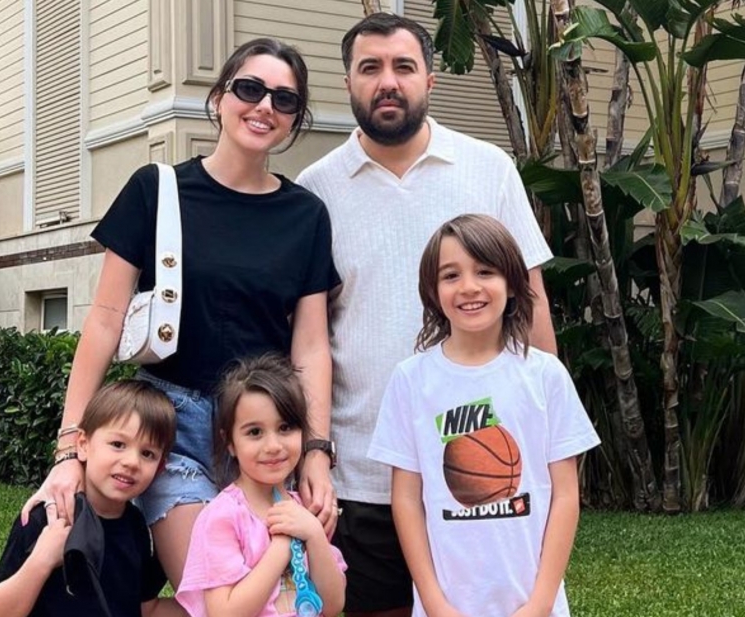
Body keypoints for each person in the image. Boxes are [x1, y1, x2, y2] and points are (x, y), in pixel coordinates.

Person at [21, 38, 341, 617]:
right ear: (219, 97)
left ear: (296, 118)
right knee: (219, 605)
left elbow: (311, 345)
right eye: (250, 88)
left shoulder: (306, 215)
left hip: (264, 433)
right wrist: (70, 446)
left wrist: (315, 450)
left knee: (281, 600)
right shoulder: (157, 190)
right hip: (173, 432)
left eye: (284, 99)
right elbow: (104, 320)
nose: (264, 106)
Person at [296, 12, 555, 617]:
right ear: (349, 82)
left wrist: (546, 431)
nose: (387, 81)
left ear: (429, 80)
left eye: (403, 67)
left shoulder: (488, 167)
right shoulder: (315, 190)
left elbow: (531, 302)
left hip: (481, 467)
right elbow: (308, 337)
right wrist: (315, 450)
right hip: (362, 472)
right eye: (370, 68)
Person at [368, 214, 599, 617]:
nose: (469, 287)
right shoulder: (411, 380)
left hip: (531, 602)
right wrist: (434, 603)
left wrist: (540, 602)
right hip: (448, 605)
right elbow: (405, 500)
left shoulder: (545, 376)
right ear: (432, 290)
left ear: (511, 283)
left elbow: (565, 496)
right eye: (451, 275)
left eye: (485, 271)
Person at [0, 380, 178, 617]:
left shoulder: (136, 525)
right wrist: (41, 560)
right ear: (83, 445)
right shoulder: (48, 516)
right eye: (118, 444)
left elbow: (145, 609)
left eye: (147, 454)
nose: (131, 462)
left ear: (160, 468)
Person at [176, 353, 346, 617]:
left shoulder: (304, 509)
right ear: (230, 442)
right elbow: (225, 613)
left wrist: (314, 534)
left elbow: (333, 605)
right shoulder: (223, 517)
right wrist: (281, 547)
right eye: (255, 432)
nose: (273, 446)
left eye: (285, 427)